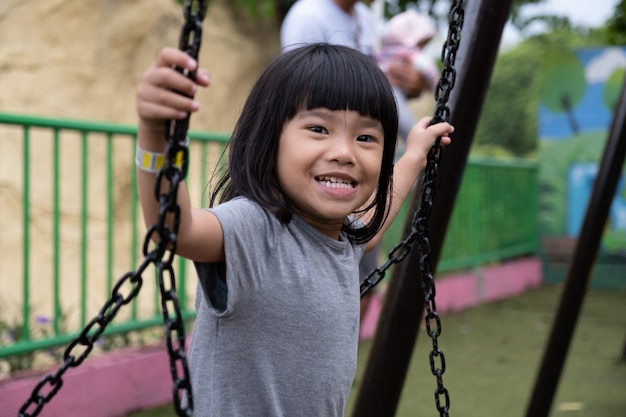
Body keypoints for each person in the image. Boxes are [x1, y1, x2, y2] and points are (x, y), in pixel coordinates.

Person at [136, 43, 453, 416]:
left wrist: (414, 155)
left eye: (366, 138)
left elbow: (372, 222)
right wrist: (155, 133)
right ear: (270, 141)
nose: (344, 152)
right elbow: (176, 228)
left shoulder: (344, 236)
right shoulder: (253, 228)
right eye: (318, 129)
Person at [280, 0, 432, 326]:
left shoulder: (365, 18)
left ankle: (342, 363)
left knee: (359, 280)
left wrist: (412, 85)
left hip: (363, 186)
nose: (343, 150)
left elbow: (364, 233)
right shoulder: (308, 16)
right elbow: (295, 98)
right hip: (318, 185)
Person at [376, 9, 440, 152]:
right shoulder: (409, 53)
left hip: (380, 92)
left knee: (385, 134)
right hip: (394, 95)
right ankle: (412, 153)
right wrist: (437, 85)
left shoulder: (384, 51)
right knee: (410, 130)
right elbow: (428, 69)